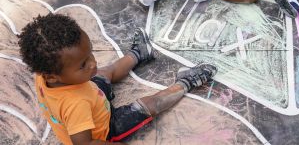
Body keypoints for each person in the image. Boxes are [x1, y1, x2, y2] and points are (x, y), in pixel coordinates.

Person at [18, 13, 217, 144]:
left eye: (90, 55)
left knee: (104, 72)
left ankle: (139, 53)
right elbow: (85, 143)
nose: (92, 63)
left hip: (92, 99)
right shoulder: (75, 105)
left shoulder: (48, 72)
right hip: (106, 128)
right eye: (82, 65)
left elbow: (85, 72)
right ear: (52, 75)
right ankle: (186, 83)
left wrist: (83, 72)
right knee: (148, 105)